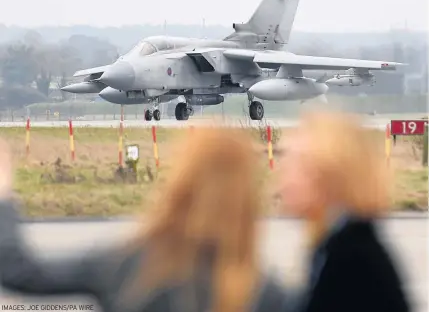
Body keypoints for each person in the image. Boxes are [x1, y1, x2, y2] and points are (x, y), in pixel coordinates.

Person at [0, 127, 288, 312]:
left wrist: (3, 192)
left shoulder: (130, 266)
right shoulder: (268, 292)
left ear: (178, 183)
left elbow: (20, 270)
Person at [276, 111, 411, 312]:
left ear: (327, 173)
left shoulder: (350, 263)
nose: (282, 182)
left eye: (294, 167)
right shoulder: (338, 245)